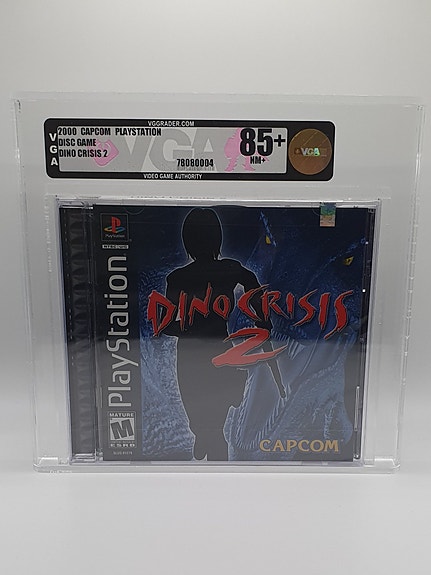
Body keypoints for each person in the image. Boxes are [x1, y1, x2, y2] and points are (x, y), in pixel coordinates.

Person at [162, 208, 276, 461]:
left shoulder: (178, 278)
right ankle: (204, 436)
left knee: (209, 420)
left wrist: (189, 328)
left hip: (192, 354)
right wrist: (262, 319)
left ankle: (208, 439)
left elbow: (165, 325)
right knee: (206, 418)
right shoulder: (228, 270)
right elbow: (252, 283)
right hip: (216, 348)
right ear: (217, 238)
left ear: (187, 240)